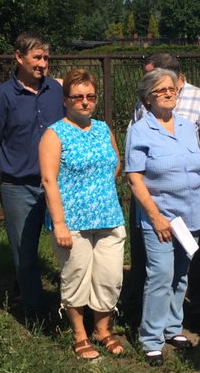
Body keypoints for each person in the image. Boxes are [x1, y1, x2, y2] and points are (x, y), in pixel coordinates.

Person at [39, 69, 126, 360]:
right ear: (66, 100)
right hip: (72, 222)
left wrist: (97, 189)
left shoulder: (103, 129)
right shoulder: (54, 133)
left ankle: (103, 330)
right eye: (78, 97)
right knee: (76, 277)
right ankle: (80, 333)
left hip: (109, 217)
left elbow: (115, 164)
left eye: (90, 96)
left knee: (109, 277)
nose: (85, 102)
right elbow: (49, 180)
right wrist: (60, 223)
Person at [126, 68, 200, 366]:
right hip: (159, 218)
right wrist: (155, 215)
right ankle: (151, 338)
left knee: (181, 274)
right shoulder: (139, 130)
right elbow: (134, 178)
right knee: (160, 275)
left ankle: (173, 327)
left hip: (191, 215)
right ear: (148, 98)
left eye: (172, 88)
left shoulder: (188, 126)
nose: (169, 93)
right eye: (161, 90)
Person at [0, 32, 64, 316]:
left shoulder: (56, 91)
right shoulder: (3, 96)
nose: (43, 64)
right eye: (37, 57)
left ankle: (71, 302)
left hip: (57, 183)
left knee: (66, 245)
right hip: (19, 186)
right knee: (24, 251)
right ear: (19, 57)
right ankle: (34, 308)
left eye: (46, 58)